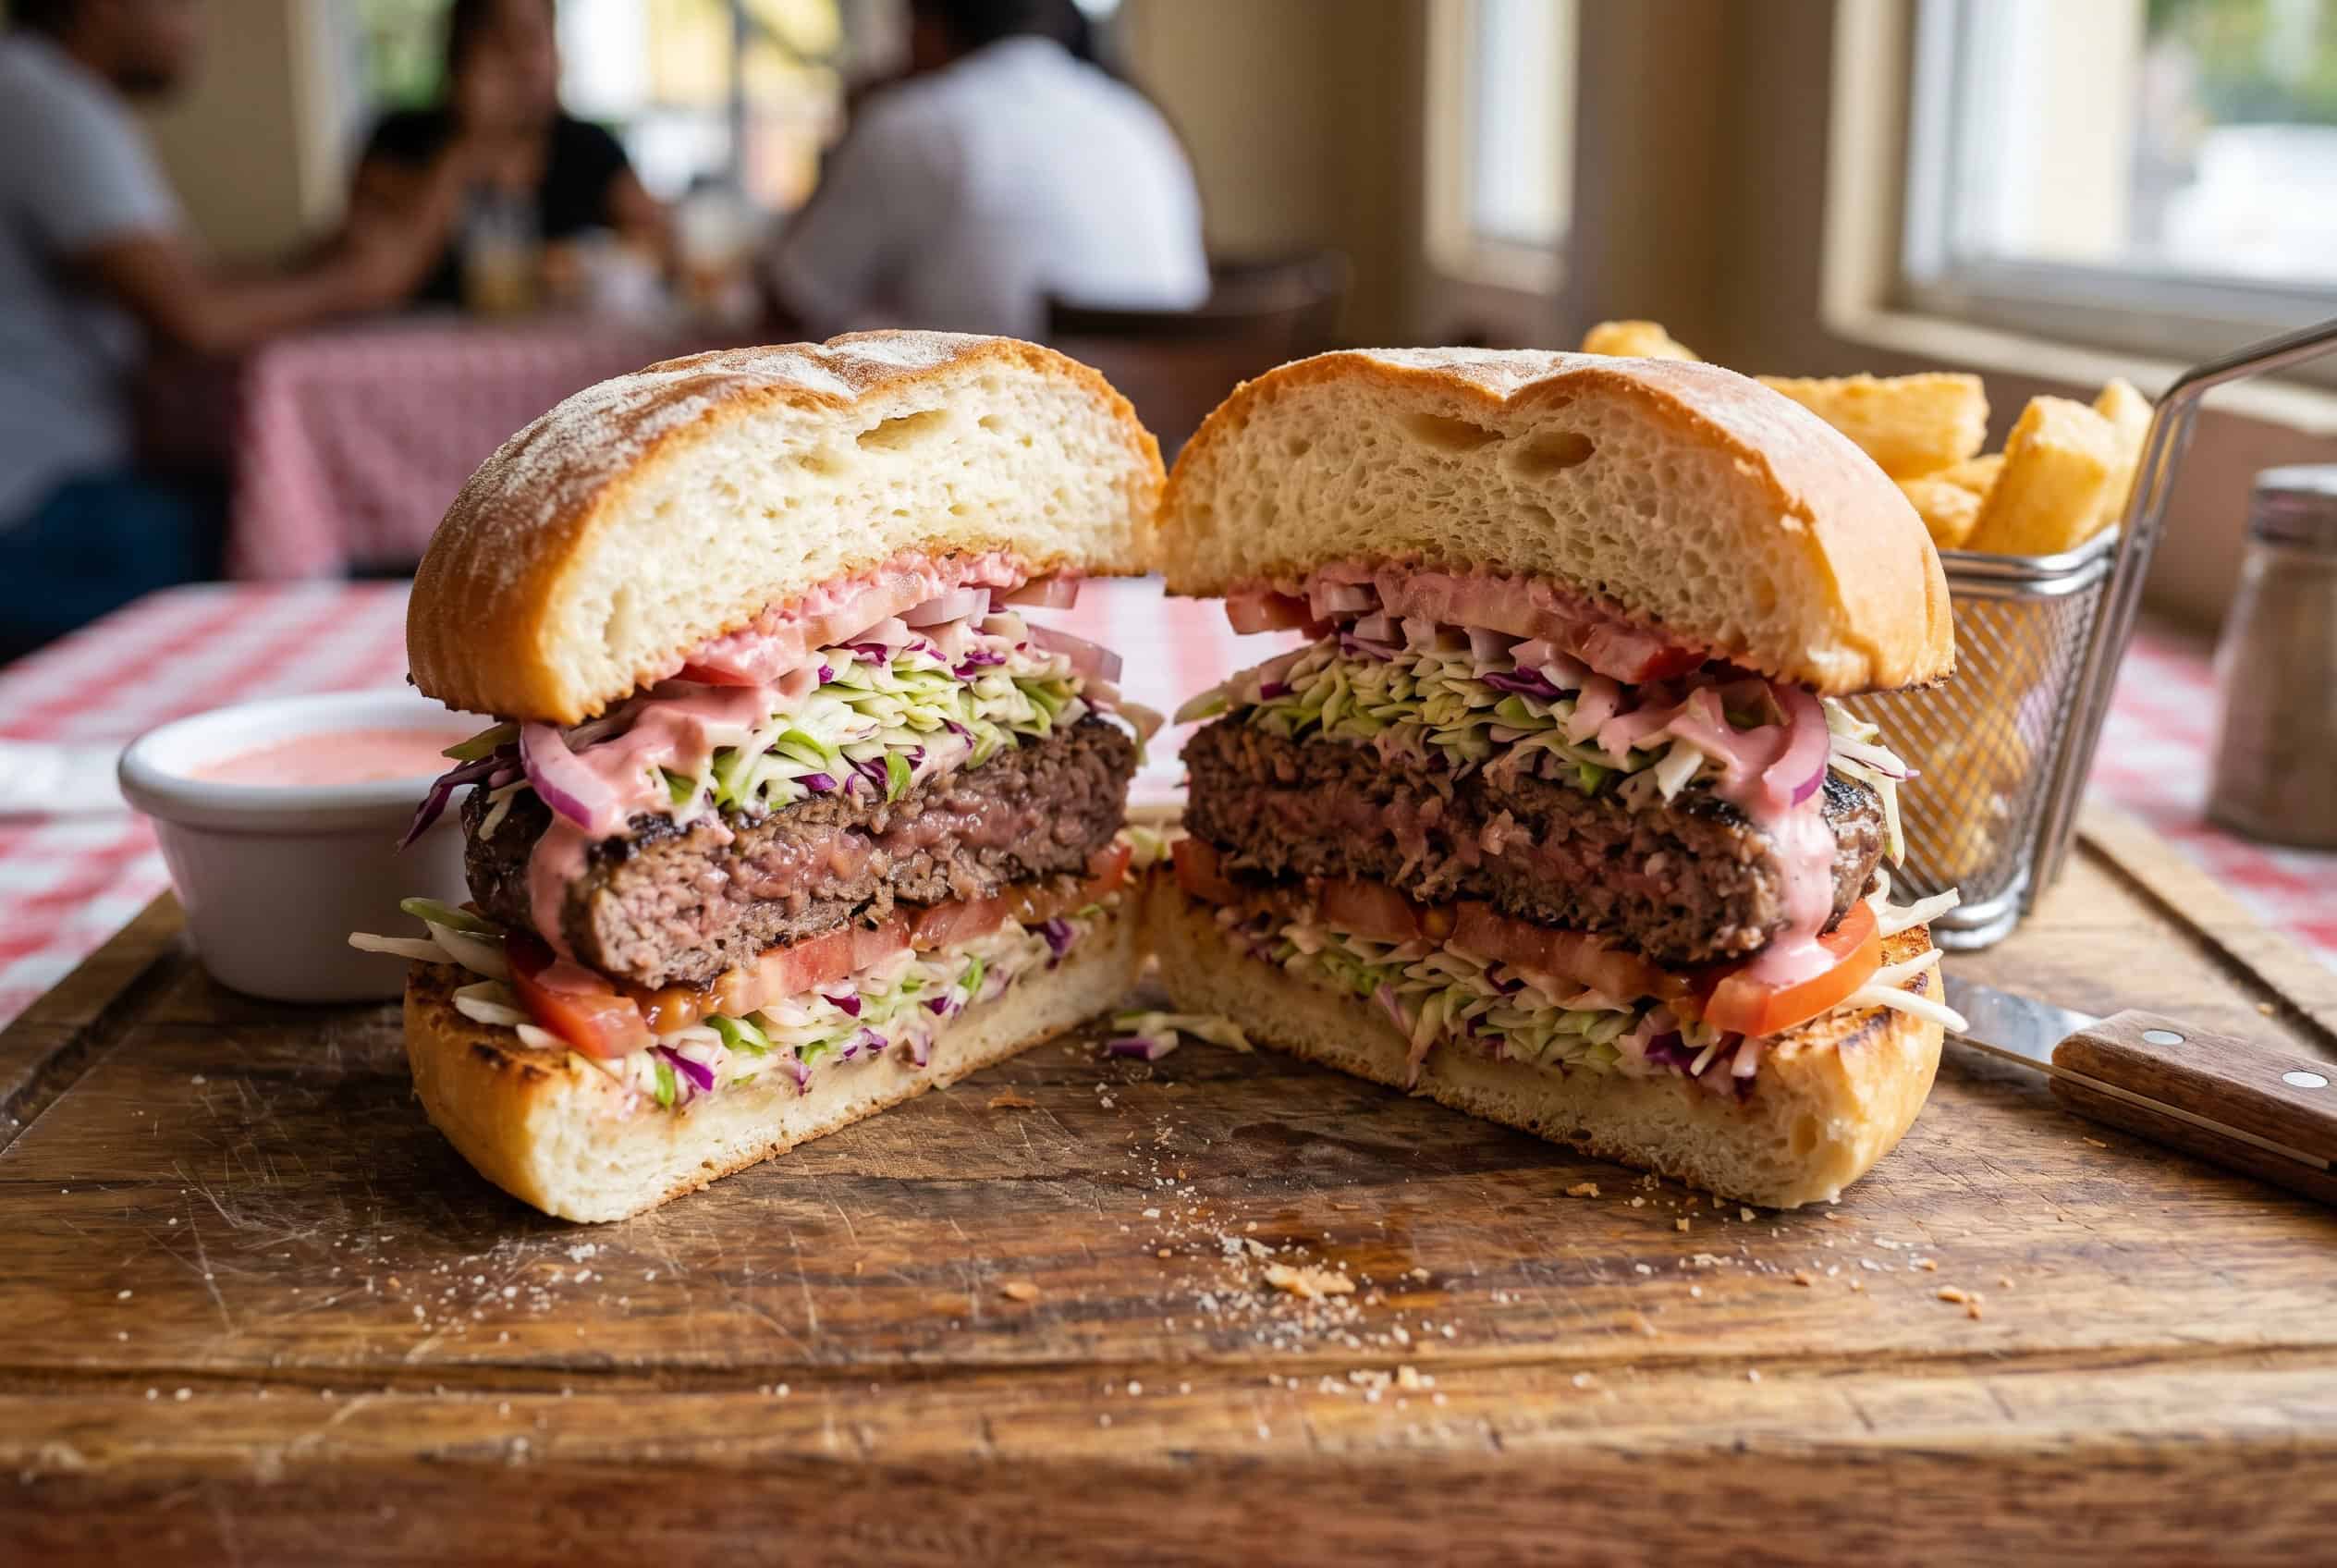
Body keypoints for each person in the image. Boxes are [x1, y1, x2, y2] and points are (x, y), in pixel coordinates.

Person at [0, 0, 442, 660]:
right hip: (33, 517)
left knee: (299, 513)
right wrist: (361, 281)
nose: (197, 17)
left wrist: (328, 256)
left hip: (63, 490)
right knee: (333, 540)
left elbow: (184, 280)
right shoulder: (41, 103)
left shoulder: (45, 95)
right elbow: (194, 319)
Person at [764, 0, 1208, 339]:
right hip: (1153, 436)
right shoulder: (1135, 117)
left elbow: (792, 301)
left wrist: (851, 134)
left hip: (995, 437)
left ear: (931, 25)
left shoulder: (912, 123)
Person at [348, 0, 671, 311]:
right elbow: (377, 273)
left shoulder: (588, 148)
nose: (521, 64)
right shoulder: (399, 140)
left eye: (532, 38)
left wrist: (590, 265)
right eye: (501, 43)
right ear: (459, 54)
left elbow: (664, 242)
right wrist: (467, 148)